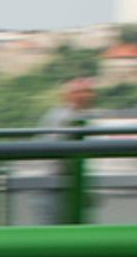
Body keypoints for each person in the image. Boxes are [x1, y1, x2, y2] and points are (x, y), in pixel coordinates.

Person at [21, 76, 97, 224]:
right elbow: (64, 156)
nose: (87, 95)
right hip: (53, 188)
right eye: (81, 92)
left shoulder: (67, 115)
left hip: (56, 187)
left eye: (89, 91)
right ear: (67, 96)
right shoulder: (66, 119)